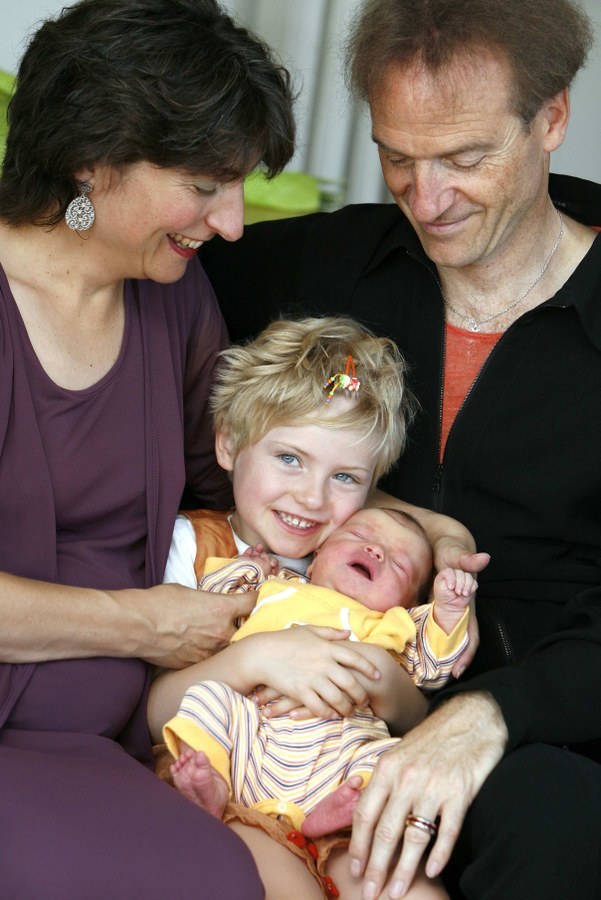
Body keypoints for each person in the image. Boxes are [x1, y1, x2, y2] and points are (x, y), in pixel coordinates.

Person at [199, 1, 601, 897]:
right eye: (397, 157)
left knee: (561, 819)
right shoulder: (326, 264)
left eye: (463, 158)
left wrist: (490, 714)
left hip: (545, 729)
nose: (426, 199)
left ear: (550, 119)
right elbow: (140, 257)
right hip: (312, 715)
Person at [0, 0, 299, 895]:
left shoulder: (173, 295)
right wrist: (142, 623)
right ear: (91, 158)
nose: (233, 222)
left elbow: (233, 471)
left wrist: (400, 516)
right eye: (205, 184)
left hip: (138, 730)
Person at [149, 315, 487, 899]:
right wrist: (259, 658)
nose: (311, 497)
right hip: (235, 786)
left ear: (372, 487)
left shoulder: (366, 566)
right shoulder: (191, 548)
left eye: (345, 477)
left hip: (341, 789)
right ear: (227, 444)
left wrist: (376, 672)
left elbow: (414, 719)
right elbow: (152, 710)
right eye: (289, 458)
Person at [163, 507, 475, 846]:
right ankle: (212, 780)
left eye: (399, 564)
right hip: (252, 732)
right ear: (314, 561)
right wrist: (248, 566)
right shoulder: (274, 588)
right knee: (207, 698)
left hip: (340, 753)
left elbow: (434, 666)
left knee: (395, 757)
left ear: (409, 604)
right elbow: (217, 601)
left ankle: (342, 810)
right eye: (359, 536)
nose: (376, 551)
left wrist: (449, 611)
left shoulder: (395, 624)